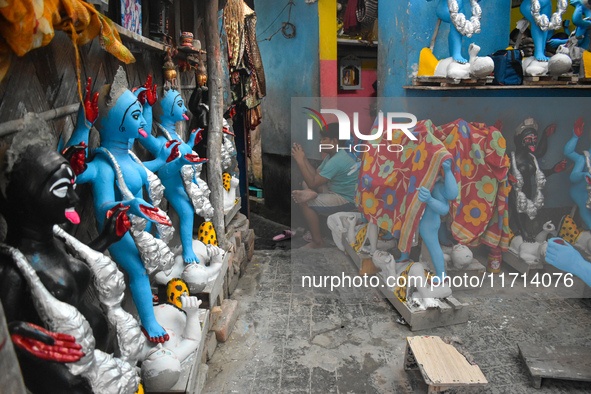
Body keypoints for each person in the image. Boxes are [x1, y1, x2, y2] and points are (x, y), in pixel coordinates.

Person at [292, 123, 359, 248]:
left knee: (305, 202)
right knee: (306, 183)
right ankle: (312, 194)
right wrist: (305, 158)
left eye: (324, 139)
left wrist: (300, 161)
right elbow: (315, 176)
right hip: (334, 191)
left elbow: (314, 182)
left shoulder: (338, 160)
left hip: (346, 199)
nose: (320, 142)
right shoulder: (332, 156)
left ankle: (318, 242)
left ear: (334, 141)